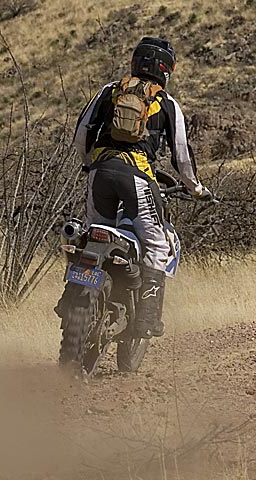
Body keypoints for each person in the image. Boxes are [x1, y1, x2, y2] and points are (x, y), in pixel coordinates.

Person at [73, 36, 212, 339]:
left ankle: (75, 297)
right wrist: (197, 189)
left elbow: (83, 132)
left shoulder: (109, 91)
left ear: (135, 62)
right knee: (157, 245)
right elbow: (181, 156)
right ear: (166, 70)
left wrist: (89, 162)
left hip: (99, 172)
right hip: (136, 176)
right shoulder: (166, 102)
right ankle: (147, 320)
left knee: (93, 236)